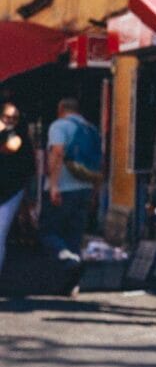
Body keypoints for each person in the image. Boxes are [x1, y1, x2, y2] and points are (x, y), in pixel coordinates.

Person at [41, 98, 101, 296]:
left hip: (64, 188)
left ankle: (69, 261)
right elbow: (99, 162)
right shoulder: (92, 129)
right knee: (74, 237)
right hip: (84, 187)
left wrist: (54, 185)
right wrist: (95, 190)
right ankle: (71, 286)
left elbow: (57, 152)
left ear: (61, 110)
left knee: (48, 232)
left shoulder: (59, 126)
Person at [0, 102, 34, 275]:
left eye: (14, 118)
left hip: (9, 191)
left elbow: (12, 147)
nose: (11, 121)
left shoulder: (18, 136)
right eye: (7, 117)